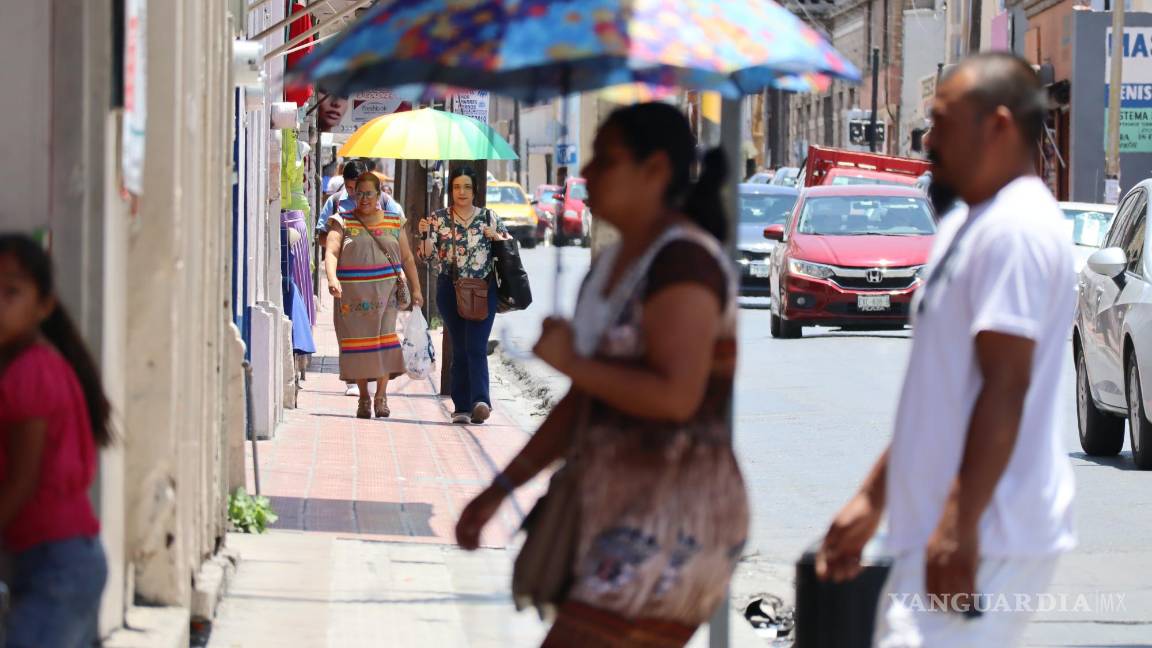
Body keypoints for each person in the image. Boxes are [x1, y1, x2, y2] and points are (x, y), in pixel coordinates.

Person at [455, 103, 748, 647]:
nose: (585, 172)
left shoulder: (685, 263)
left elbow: (677, 396)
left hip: (676, 513)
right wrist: (501, 489)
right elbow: (583, 402)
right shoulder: (615, 266)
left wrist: (574, 362)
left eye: (605, 158)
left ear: (655, 170)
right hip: (614, 505)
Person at [816, 53, 1076, 647]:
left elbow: (1003, 388)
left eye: (942, 122)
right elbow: (937, 396)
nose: (928, 140)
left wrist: (960, 524)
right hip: (934, 527)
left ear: (999, 127)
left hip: (991, 533)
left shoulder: (1017, 231)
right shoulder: (967, 224)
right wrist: (872, 499)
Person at [0, 234, 111, 648]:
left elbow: (23, 480)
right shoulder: (31, 365)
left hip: (56, 565)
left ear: (43, 306)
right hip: (56, 560)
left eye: (11, 292)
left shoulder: (30, 372)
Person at [324, 172, 424, 418]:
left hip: (386, 295)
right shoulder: (342, 220)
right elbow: (332, 251)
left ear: (379, 194)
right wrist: (332, 278)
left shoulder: (393, 221)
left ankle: (381, 396)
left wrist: (417, 288)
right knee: (359, 347)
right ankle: (363, 398)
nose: (364, 198)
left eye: (369, 193)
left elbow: (408, 258)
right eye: (359, 193)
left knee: (383, 344)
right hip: (352, 298)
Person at [418, 166, 511, 425]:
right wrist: (425, 233)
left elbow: (510, 249)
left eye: (467, 187)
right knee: (460, 347)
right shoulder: (438, 219)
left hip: (483, 289)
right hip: (450, 289)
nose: (462, 192)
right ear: (450, 190)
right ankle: (461, 406)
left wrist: (497, 238)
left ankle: (481, 401)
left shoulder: (489, 218)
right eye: (457, 187)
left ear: (475, 191)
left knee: (477, 346)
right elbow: (425, 255)